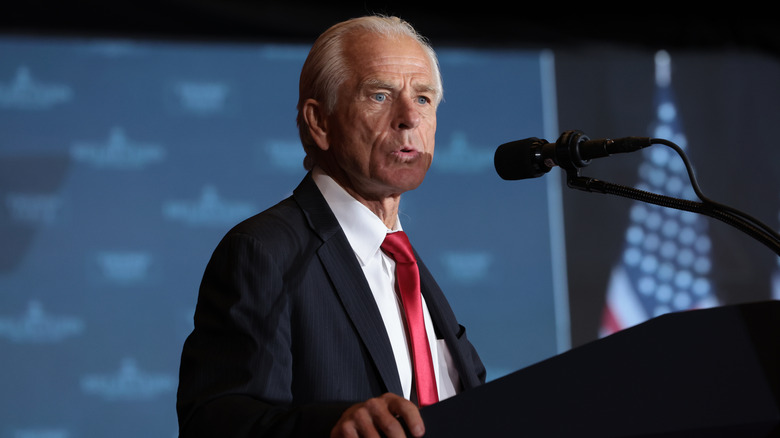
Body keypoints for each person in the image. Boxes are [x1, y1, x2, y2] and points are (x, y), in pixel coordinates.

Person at [176, 15, 486, 438]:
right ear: (319, 123)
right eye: (379, 95)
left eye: (424, 99)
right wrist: (333, 427)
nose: (409, 118)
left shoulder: (405, 266)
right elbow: (212, 423)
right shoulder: (263, 251)